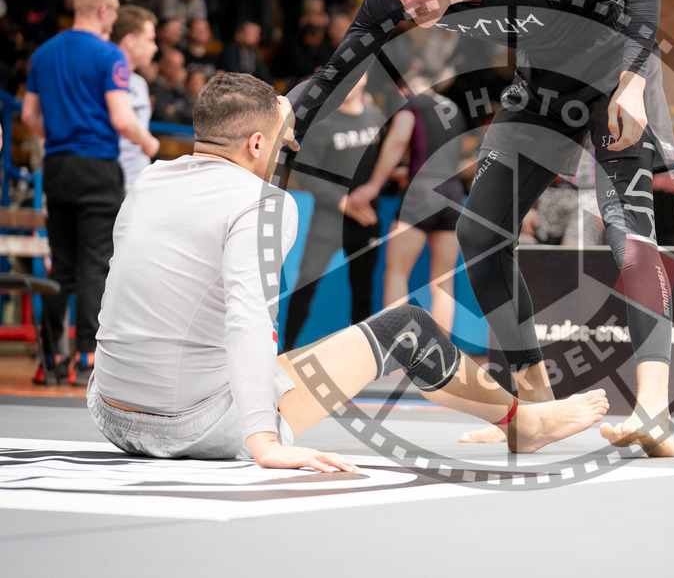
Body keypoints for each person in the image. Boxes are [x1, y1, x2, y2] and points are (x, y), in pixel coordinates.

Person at [288, 0, 674, 456]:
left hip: (614, 73)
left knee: (627, 228)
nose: (412, 7)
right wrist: (287, 113)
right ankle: (536, 409)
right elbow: (339, 69)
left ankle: (654, 410)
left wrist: (636, 80)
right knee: (478, 233)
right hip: (542, 87)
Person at [87, 71, 609, 469]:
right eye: (283, 141)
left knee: (277, 355)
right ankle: (526, 422)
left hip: (111, 412)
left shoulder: (150, 183)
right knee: (408, 328)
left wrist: (280, 111)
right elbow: (247, 317)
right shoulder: (261, 203)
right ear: (255, 144)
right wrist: (264, 443)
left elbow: (120, 295)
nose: (286, 149)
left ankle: (524, 417)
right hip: (192, 425)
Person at [20, 0, 160, 386]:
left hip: (58, 165)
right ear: (104, 11)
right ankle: (86, 358)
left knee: (60, 264)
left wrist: (61, 137)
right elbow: (121, 118)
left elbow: (29, 116)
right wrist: (149, 142)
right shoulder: (109, 56)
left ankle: (50, 360)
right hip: (98, 165)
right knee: (95, 263)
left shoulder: (43, 53)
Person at [348, 77, 469, 333]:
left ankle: (396, 348)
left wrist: (374, 184)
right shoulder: (453, 108)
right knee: (443, 283)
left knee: (396, 274)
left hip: (420, 193)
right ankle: (442, 355)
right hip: (452, 192)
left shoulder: (411, 102)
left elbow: (399, 140)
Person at [283, 73, 385, 350]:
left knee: (363, 289)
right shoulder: (323, 121)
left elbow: (384, 160)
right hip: (329, 217)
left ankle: (365, 358)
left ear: (365, 78)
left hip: (366, 217)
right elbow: (304, 173)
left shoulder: (375, 115)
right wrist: (343, 203)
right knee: (306, 283)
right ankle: (286, 351)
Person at [111, 5, 159, 189]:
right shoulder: (102, 78)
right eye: (150, 40)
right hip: (110, 181)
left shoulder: (140, 83)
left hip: (138, 182)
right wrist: (148, 142)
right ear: (130, 41)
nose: (154, 48)